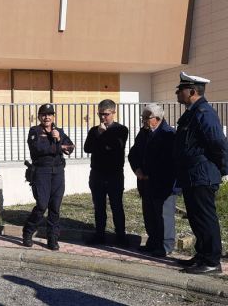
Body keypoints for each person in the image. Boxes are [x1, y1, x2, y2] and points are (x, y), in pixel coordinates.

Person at [173, 72, 228, 274]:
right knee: (196, 218)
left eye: (181, 90)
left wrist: (222, 169)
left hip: (202, 174)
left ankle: (212, 261)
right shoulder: (191, 112)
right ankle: (202, 255)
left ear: (193, 91)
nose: (177, 93)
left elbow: (218, 143)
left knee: (205, 217)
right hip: (190, 175)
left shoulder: (204, 113)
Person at [22, 104, 74, 251]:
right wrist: (59, 147)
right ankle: (28, 231)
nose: (47, 117)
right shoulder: (35, 131)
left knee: (55, 207)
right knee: (41, 205)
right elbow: (38, 149)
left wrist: (60, 141)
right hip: (41, 172)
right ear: (39, 117)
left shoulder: (59, 131)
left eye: (50, 114)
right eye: (44, 114)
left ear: (53, 117)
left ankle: (52, 238)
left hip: (58, 172)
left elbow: (70, 147)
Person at [128, 104, 176, 257]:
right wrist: (137, 169)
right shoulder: (144, 133)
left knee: (163, 215)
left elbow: (168, 162)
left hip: (163, 184)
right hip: (145, 182)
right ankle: (153, 242)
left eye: (146, 118)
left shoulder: (168, 134)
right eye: (142, 118)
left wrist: (151, 174)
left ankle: (165, 246)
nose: (143, 121)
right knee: (149, 214)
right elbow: (133, 153)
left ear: (157, 118)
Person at [83, 99, 129, 246]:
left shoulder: (121, 129)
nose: (103, 117)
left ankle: (121, 236)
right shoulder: (94, 131)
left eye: (106, 114)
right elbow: (88, 148)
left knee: (116, 206)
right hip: (97, 173)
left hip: (114, 174)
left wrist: (103, 138)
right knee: (99, 207)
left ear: (113, 113)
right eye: (100, 114)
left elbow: (117, 146)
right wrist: (99, 136)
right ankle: (99, 235)